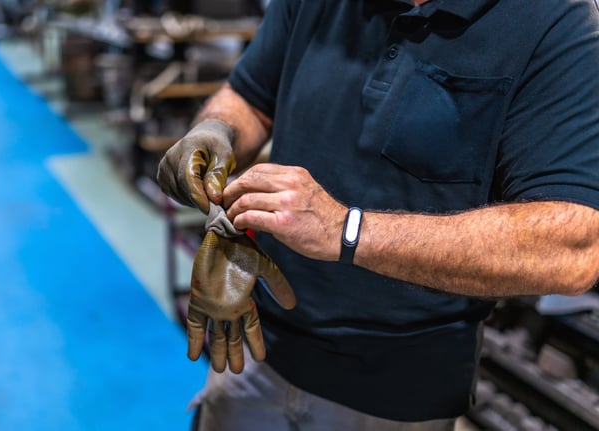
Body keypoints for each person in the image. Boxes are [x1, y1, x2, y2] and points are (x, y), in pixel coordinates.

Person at [156, 0, 599, 429]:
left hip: (397, 394)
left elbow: (572, 247)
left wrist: (346, 230)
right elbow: (250, 97)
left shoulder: (554, 20)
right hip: (255, 347)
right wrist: (218, 129)